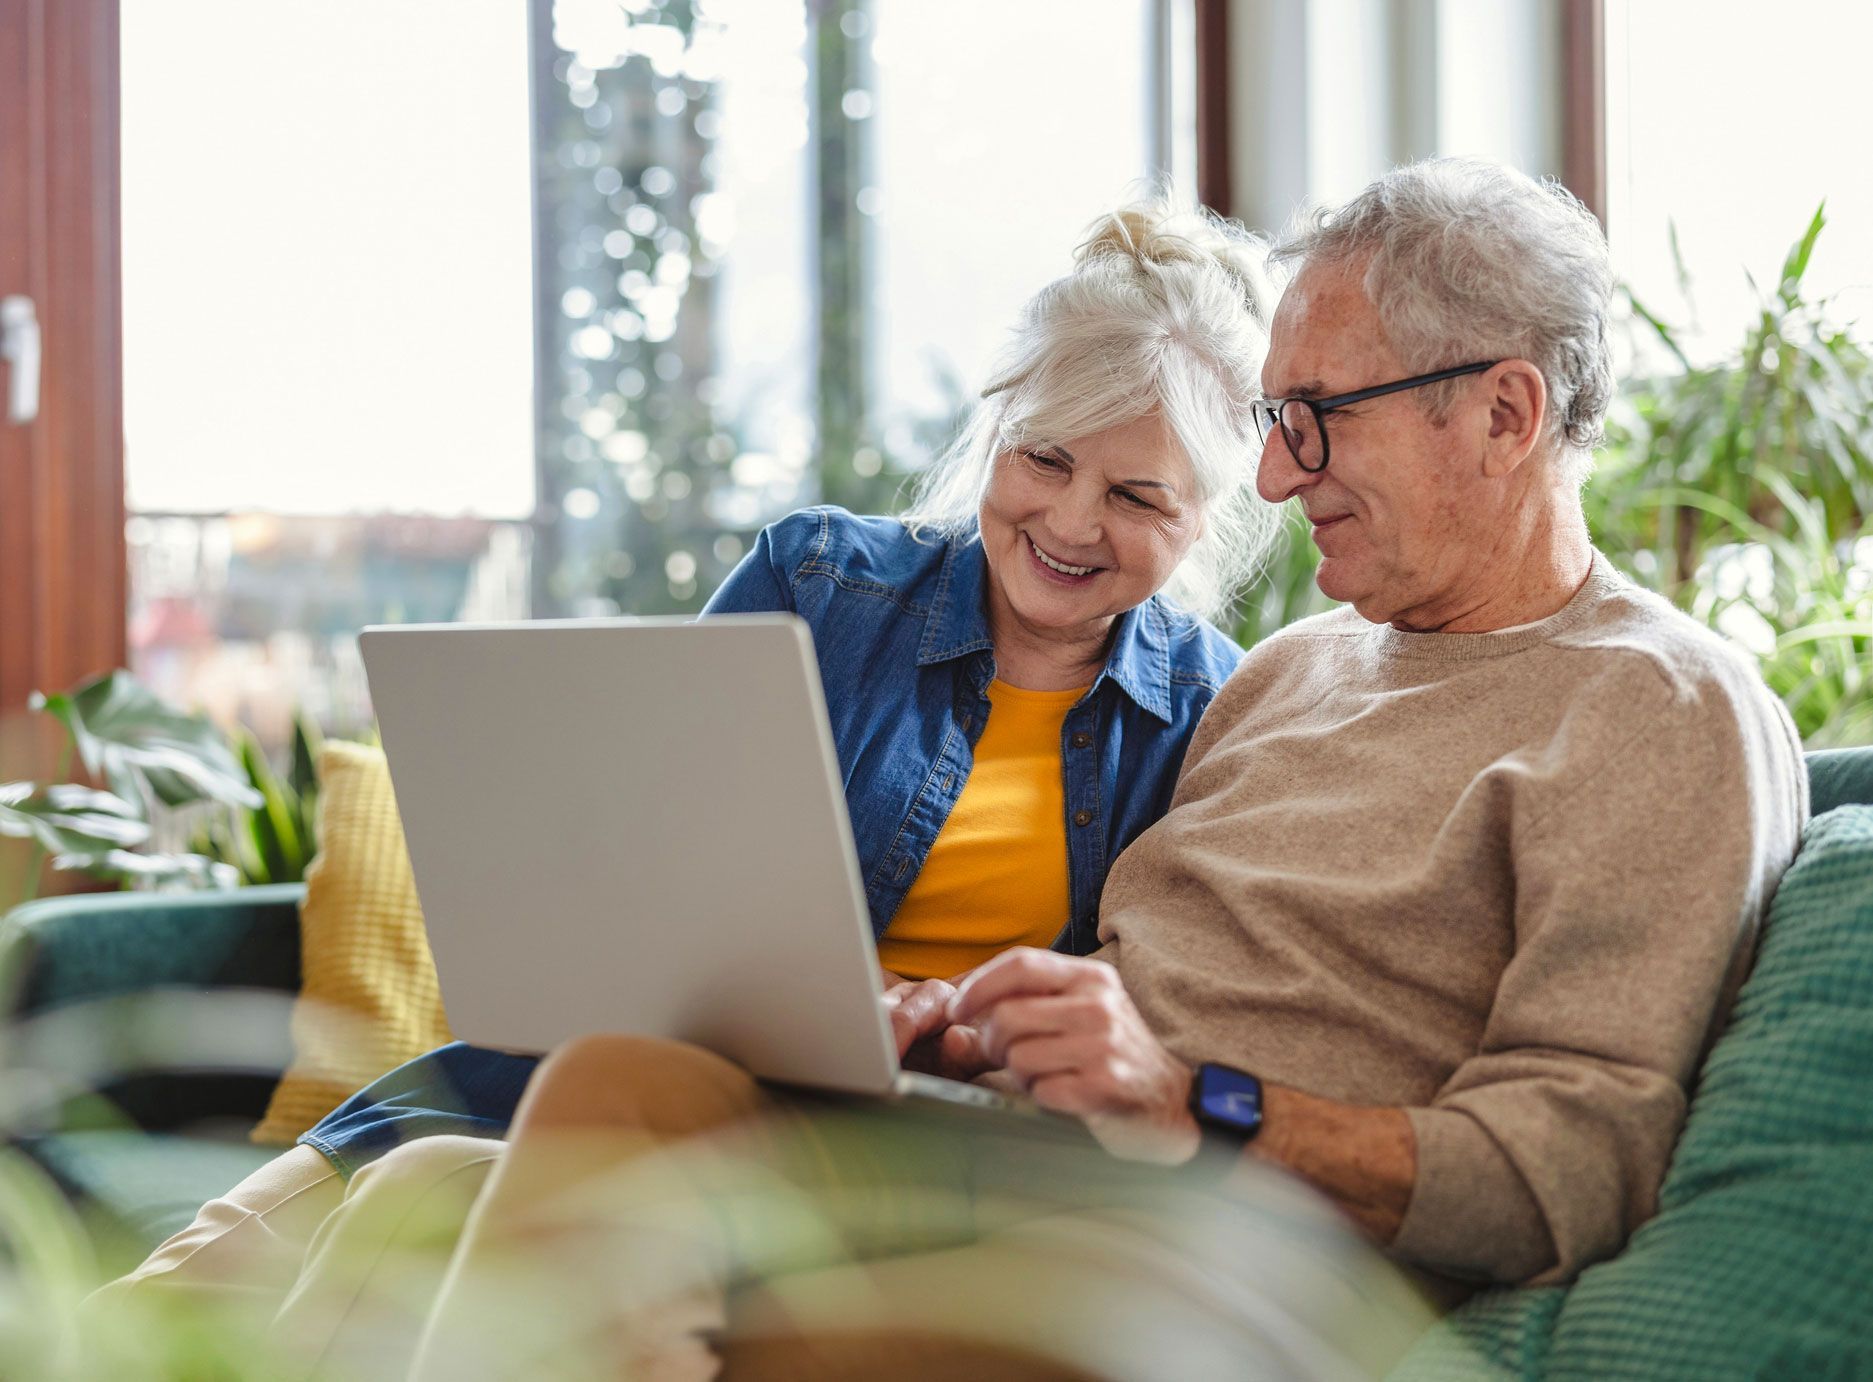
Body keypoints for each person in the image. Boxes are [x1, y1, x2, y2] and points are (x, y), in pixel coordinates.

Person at [393, 156, 1809, 1378]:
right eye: (1275, 419)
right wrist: (983, 1021)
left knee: (554, 1263)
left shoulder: (1660, 706)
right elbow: (1140, 977)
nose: (1267, 479)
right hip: (1005, 1159)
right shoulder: (1290, 671)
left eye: (1319, 416)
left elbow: (1569, 1164)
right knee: (604, 1093)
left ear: (1503, 413)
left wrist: (1196, 1099)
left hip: (1229, 1265)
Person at [89, 198, 1286, 1359]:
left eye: (1136, 495)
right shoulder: (821, 581)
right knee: (155, 1305)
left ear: (1207, 516)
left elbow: (1143, 1021)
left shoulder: (1214, 712)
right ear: (996, 429)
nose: (1071, 519)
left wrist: (960, 1028)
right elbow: (633, 877)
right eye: (1045, 458)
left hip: (870, 1149)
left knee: (406, 1207)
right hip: (606, 1077)